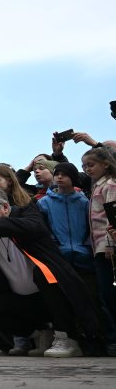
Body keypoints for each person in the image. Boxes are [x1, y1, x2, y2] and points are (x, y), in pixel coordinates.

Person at [0, 188, 102, 357]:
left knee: (44, 274)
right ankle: (40, 333)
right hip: (23, 300)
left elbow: (32, 227)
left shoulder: (25, 212)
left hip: (56, 293)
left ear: (5, 207)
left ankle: (68, 338)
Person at [84, 146, 116, 355]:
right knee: (105, 295)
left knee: (110, 294)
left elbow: (112, 219)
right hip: (97, 247)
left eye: (91, 164)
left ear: (106, 164)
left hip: (109, 247)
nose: (87, 169)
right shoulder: (96, 186)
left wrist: (111, 246)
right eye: (84, 166)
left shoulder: (110, 185)